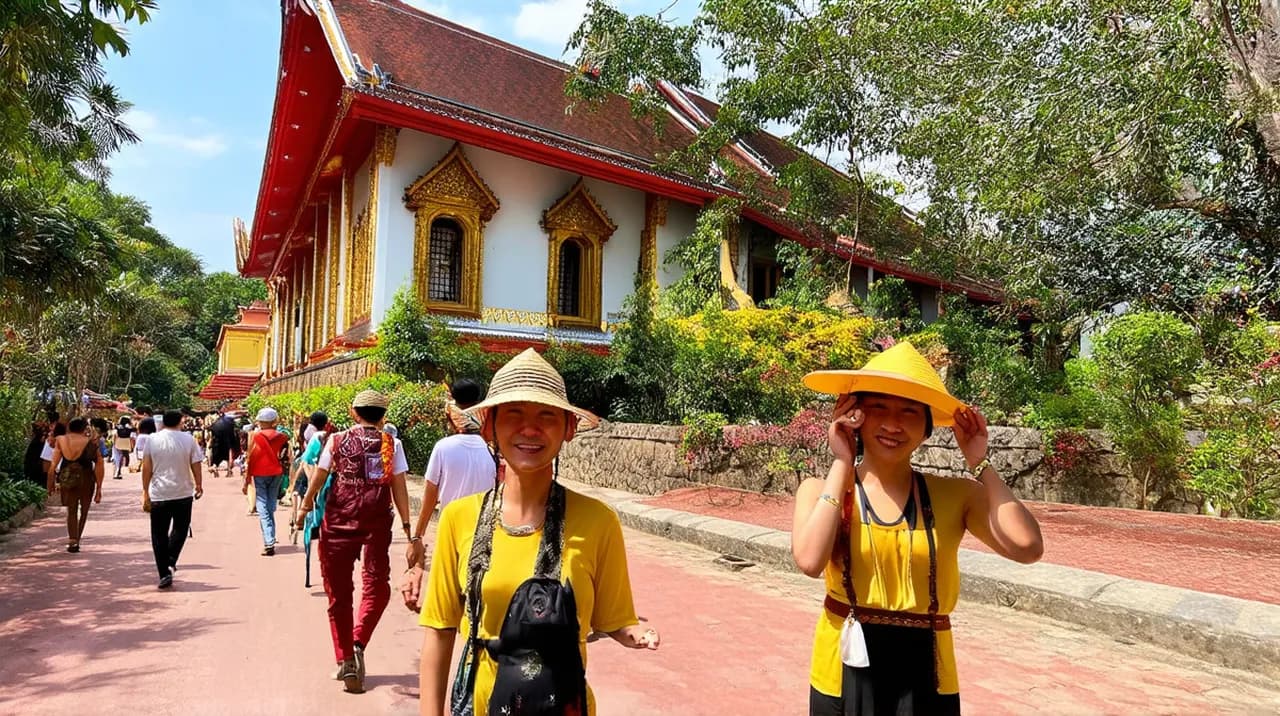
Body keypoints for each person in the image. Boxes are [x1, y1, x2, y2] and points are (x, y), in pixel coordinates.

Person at [794, 342, 1045, 715]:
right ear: (855, 414)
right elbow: (810, 560)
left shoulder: (956, 495)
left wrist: (980, 462)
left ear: (927, 427)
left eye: (909, 412)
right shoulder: (821, 490)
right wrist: (841, 462)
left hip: (927, 669)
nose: (893, 424)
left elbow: (1027, 547)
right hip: (844, 664)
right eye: (879, 408)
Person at [418, 349, 658, 716]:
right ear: (489, 426)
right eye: (514, 413)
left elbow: (615, 617)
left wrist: (634, 634)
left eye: (546, 415)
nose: (529, 429)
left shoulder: (598, 521)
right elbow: (440, 629)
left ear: (569, 429)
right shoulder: (459, 518)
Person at [295, 390, 412, 695]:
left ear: (353, 411)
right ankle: (357, 643)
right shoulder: (392, 443)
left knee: (338, 593)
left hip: (338, 519)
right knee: (377, 586)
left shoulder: (335, 441)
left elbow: (319, 476)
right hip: (376, 521)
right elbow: (398, 485)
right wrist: (409, 527)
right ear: (382, 415)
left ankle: (347, 655)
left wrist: (305, 508)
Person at [400, 378, 496, 612]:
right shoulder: (492, 449)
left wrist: (417, 537)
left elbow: (430, 496)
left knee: (449, 604)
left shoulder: (443, 448)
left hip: (451, 532)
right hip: (486, 530)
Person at [142, 410, 205, 589]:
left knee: (158, 534)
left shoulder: (152, 440)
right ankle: (170, 560)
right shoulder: (189, 439)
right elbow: (196, 464)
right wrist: (199, 484)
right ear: (180, 421)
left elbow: (147, 468)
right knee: (181, 529)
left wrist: (145, 490)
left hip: (159, 493)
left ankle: (164, 572)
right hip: (183, 492)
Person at [46, 417, 104, 553]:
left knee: (71, 510)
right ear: (84, 429)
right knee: (84, 511)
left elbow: (53, 464)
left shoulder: (61, 440)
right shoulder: (91, 442)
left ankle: (72, 539)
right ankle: (77, 539)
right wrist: (99, 489)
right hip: (87, 478)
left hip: (68, 477)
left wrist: (50, 481)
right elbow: (99, 465)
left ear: (69, 428)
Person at [245, 407, 291, 556]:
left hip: (259, 473)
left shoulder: (256, 436)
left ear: (260, 421)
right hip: (276, 472)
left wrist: (247, 479)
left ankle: (269, 540)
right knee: (270, 504)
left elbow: (251, 457)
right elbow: (287, 457)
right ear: (274, 421)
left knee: (262, 505)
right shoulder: (283, 437)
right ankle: (270, 533)